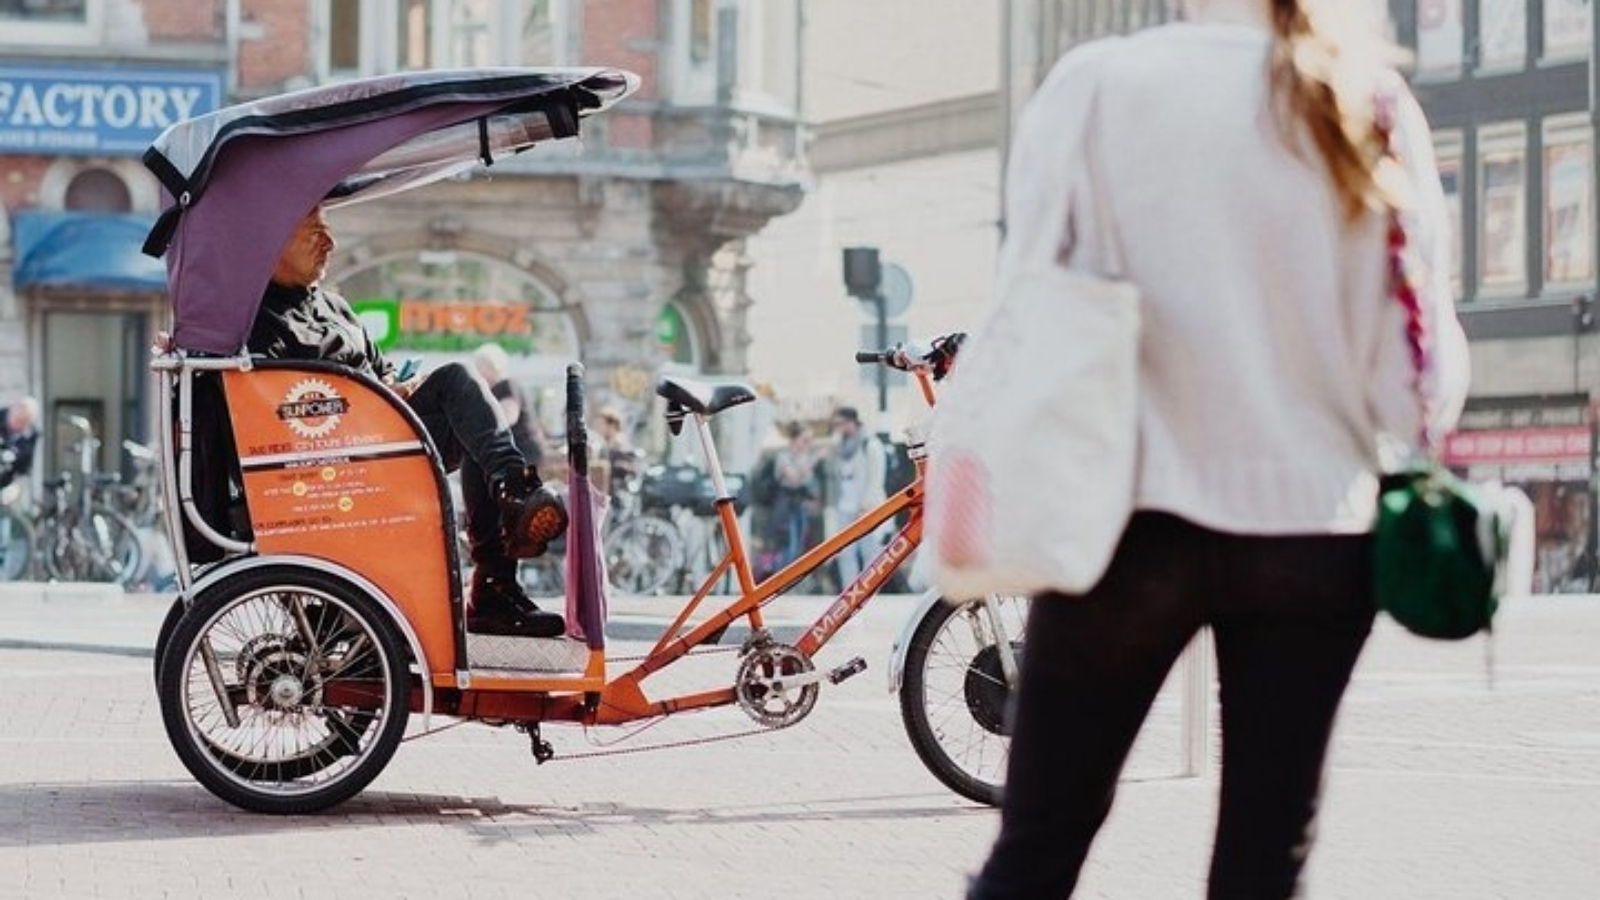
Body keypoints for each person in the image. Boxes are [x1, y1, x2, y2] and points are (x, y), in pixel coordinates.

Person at [967, 2, 1470, 898]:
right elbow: (1412, 376)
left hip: (1126, 519)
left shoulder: (1096, 89)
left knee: (1038, 847)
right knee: (1262, 863)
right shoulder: (1362, 99)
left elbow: (1028, 310)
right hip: (1313, 525)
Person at [248, 207, 570, 638]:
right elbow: (279, 410)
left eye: (329, 232)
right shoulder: (258, 320)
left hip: (382, 441)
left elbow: (382, 371)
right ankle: (515, 493)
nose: (331, 243)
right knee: (458, 377)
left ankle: (496, 584)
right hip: (330, 465)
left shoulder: (336, 306)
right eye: (314, 233)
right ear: (272, 244)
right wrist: (376, 397)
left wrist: (396, 385)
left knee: (469, 414)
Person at [824, 406, 886, 587]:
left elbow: (876, 478)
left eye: (840, 424)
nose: (838, 428)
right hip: (844, 506)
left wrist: (867, 505)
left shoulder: (870, 444)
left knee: (869, 551)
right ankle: (850, 590)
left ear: (852, 422)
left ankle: (868, 588)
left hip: (866, 506)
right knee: (846, 552)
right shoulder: (838, 448)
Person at [472, 342, 549, 469]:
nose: (477, 373)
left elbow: (508, 417)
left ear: (493, 366)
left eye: (480, 366)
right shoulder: (492, 391)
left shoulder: (506, 385)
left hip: (523, 452)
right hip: (515, 453)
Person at [0, 396, 39, 490]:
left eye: (23, 421)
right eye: (16, 419)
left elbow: (24, 471)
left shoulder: (30, 436)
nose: (17, 424)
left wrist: (15, 488)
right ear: (12, 410)